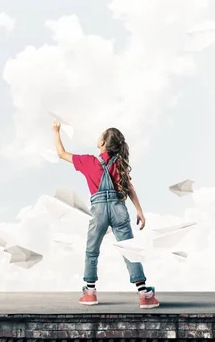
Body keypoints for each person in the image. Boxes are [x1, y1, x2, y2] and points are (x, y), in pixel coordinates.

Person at [51, 119, 160, 309]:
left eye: (101, 135)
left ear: (102, 143)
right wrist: (139, 211)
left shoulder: (88, 161)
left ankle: (90, 293)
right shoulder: (120, 165)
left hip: (99, 211)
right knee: (129, 250)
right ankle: (144, 295)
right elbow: (130, 187)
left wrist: (55, 130)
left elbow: (61, 153)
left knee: (91, 251)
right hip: (119, 209)